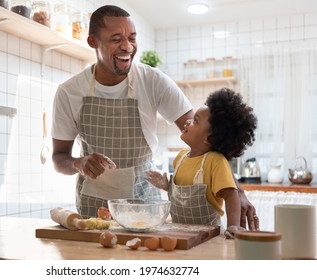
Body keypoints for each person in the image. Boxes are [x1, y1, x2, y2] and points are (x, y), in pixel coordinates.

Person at [51, 4, 260, 230]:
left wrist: (236, 191)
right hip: (92, 210)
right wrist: (78, 163)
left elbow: (209, 137)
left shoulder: (153, 81)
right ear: (93, 41)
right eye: (116, 38)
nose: (127, 46)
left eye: (132, 37)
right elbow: (59, 158)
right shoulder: (69, 92)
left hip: (144, 209)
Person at [146, 88, 257, 237]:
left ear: (208, 139)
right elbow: (180, 194)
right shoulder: (180, 158)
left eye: (195, 121)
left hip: (208, 238)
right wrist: (166, 185)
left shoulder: (215, 161)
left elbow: (231, 196)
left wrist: (233, 227)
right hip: (181, 234)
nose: (187, 121)